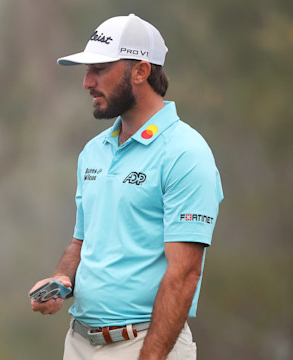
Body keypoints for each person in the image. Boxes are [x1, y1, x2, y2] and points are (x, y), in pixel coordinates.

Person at [29, 14, 223, 359]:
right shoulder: (94, 151)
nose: (87, 82)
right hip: (78, 344)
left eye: (100, 69)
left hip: (145, 345)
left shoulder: (185, 153)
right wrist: (61, 279)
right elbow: (82, 240)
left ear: (141, 71)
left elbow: (184, 274)